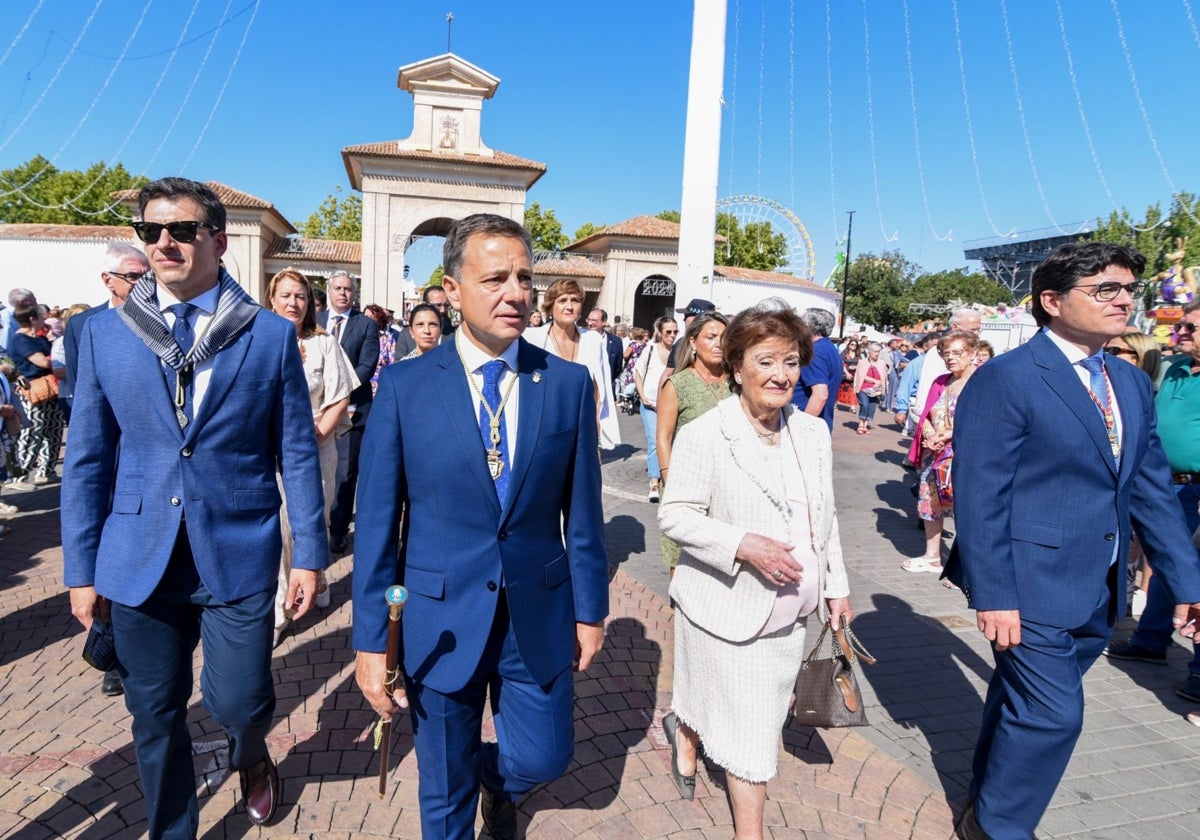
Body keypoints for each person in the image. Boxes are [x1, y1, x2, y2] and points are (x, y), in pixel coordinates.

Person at [62, 177, 329, 838]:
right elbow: (88, 457)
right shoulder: (102, 333)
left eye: (180, 230)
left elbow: (296, 449)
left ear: (217, 240)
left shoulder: (267, 336)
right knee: (154, 714)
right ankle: (174, 829)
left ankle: (251, 754)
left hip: (236, 548)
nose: (163, 243)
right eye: (150, 231)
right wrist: (80, 566)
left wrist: (312, 555)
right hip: (137, 555)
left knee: (239, 701)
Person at [352, 213, 608, 840]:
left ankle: (497, 782)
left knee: (544, 757)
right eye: (495, 278)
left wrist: (591, 610)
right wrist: (369, 641)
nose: (516, 293)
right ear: (451, 288)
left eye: (525, 277)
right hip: (438, 619)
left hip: (538, 612)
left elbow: (584, 512)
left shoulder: (568, 385)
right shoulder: (406, 386)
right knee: (442, 793)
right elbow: (379, 523)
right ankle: (467, 789)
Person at [944, 241, 1200, 840]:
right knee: (1053, 716)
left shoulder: (1130, 384)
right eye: (1104, 289)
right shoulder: (1006, 379)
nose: (1123, 300)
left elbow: (1150, 490)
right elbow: (981, 499)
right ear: (1052, 301)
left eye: (1128, 289)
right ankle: (1000, 829)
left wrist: (1187, 582)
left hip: (1097, 587)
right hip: (1027, 586)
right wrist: (994, 594)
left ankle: (984, 805)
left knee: (1020, 704)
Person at [657, 299, 852, 838]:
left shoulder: (811, 434)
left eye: (791, 362)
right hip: (727, 610)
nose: (781, 374)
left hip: (792, 621)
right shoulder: (707, 433)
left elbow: (824, 518)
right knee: (753, 738)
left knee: (744, 715)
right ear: (738, 365)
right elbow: (675, 515)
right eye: (766, 361)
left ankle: (688, 731)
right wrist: (743, 544)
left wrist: (836, 588)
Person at [1104, 304, 1200, 705]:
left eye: (1189, 326)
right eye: (1180, 325)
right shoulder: (1177, 368)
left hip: (1195, 490)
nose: (1179, 331)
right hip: (1164, 486)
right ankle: (1151, 638)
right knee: (1167, 565)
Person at [267, 268, 359, 646]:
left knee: (309, 521)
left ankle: (312, 581)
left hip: (316, 450)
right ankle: (277, 612)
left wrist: (319, 434)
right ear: (272, 298)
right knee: (277, 530)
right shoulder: (257, 340)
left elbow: (340, 396)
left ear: (310, 304)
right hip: (267, 454)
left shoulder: (324, 345)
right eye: (286, 295)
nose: (293, 302)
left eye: (301, 297)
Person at [657, 312, 730, 573]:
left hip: (726, 487)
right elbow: (663, 437)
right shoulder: (677, 384)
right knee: (683, 563)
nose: (718, 344)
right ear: (692, 342)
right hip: (686, 485)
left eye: (723, 338)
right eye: (710, 337)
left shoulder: (737, 383)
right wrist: (670, 479)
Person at [901, 330, 979, 573]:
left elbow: (984, 420)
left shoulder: (982, 382)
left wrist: (948, 435)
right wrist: (929, 435)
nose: (951, 358)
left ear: (973, 353)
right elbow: (924, 413)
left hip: (965, 457)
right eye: (946, 354)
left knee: (967, 509)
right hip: (934, 455)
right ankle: (933, 556)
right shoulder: (940, 381)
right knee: (930, 504)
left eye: (957, 352)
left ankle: (967, 567)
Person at [1102, 330, 1164, 616]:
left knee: (1144, 545)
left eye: (1115, 352)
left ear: (1141, 358)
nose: (1106, 357)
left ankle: (1131, 597)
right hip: (1119, 487)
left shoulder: (1146, 396)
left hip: (1155, 484)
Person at [318, 271, 380, 554]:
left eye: (348, 289)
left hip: (352, 409)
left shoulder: (365, 325)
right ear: (329, 291)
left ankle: (339, 530)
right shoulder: (314, 321)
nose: (343, 293)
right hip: (315, 410)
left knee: (345, 473)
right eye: (338, 288)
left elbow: (367, 366)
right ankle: (317, 527)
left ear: (354, 294)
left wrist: (338, 396)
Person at [524, 278, 620, 450]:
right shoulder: (532, 340)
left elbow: (600, 389)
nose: (569, 306)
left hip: (583, 432)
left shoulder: (592, 341)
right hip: (542, 434)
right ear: (550, 307)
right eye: (562, 300)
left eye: (575, 300)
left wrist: (595, 439)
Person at [9, 304, 65, 487]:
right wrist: (58, 356)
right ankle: (21, 475)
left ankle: (46, 471)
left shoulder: (40, 337)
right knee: (34, 432)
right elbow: (41, 362)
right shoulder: (21, 340)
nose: (44, 320)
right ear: (32, 319)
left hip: (51, 390)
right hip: (34, 390)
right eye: (41, 317)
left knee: (54, 431)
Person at [634, 316, 678, 503]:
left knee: (670, 441)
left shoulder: (678, 351)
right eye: (668, 331)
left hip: (670, 404)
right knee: (653, 440)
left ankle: (668, 478)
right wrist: (642, 394)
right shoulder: (650, 349)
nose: (672, 335)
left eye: (675, 331)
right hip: (650, 403)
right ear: (660, 332)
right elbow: (638, 372)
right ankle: (654, 481)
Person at [791, 308, 844, 433]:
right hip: (820, 424)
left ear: (808, 326)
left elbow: (820, 394)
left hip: (808, 427)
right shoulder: (829, 349)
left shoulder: (815, 351)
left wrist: (803, 428)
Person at [657, 297, 717, 393]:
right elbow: (667, 374)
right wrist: (661, 405)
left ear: (697, 318)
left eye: (686, 316)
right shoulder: (681, 344)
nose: (683, 320)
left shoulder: (720, 344)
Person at [893, 332, 941, 434]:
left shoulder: (944, 363)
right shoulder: (916, 363)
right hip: (919, 406)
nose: (938, 349)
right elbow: (905, 386)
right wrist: (901, 410)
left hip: (937, 408)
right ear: (925, 346)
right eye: (935, 346)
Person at [395, 285, 455, 356]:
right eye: (438, 305)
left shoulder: (455, 334)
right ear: (424, 304)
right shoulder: (406, 335)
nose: (443, 310)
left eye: (446, 305)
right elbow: (400, 365)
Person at [363, 303, 400, 398]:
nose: (367, 319)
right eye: (365, 316)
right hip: (361, 384)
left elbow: (392, 363)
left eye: (372, 317)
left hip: (381, 385)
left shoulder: (388, 339)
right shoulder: (358, 337)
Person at [852, 342, 889, 434]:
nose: (877, 354)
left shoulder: (881, 363)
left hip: (875, 390)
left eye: (878, 352)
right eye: (875, 352)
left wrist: (879, 382)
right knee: (864, 404)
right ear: (870, 352)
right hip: (863, 387)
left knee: (872, 406)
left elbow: (884, 376)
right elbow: (861, 375)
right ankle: (860, 424)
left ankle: (865, 425)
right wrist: (874, 381)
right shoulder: (862, 362)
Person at [587, 307, 624, 394]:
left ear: (604, 322)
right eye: (588, 320)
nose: (590, 323)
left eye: (593, 320)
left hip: (606, 388)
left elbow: (617, 367)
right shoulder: (581, 339)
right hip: (586, 387)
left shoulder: (616, 342)